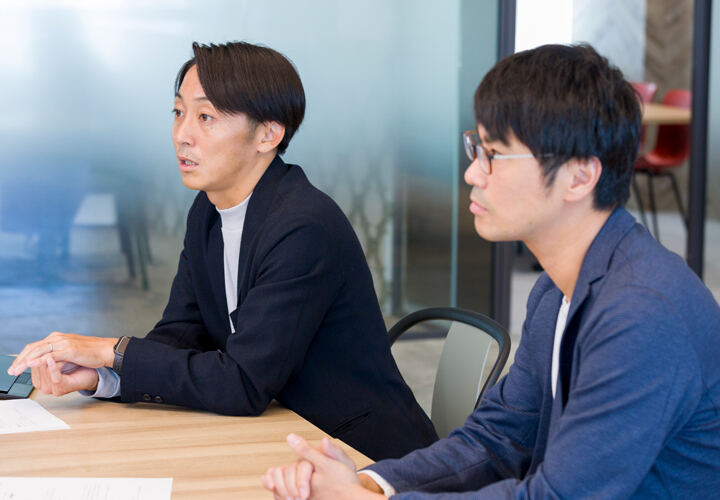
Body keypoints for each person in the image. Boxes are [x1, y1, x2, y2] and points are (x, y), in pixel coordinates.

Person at [262, 44, 720, 499]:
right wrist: (369, 482)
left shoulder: (642, 312)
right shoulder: (558, 287)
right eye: (476, 148)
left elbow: (559, 497)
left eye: (495, 155)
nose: (472, 174)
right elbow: (498, 438)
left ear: (580, 176)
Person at [7, 41, 437, 461]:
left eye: (206, 116)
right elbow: (181, 332)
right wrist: (105, 377)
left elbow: (244, 383)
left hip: (356, 452)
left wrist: (110, 349)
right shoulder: (209, 210)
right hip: (277, 433)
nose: (182, 135)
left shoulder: (304, 226)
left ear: (267, 134)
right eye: (178, 113)